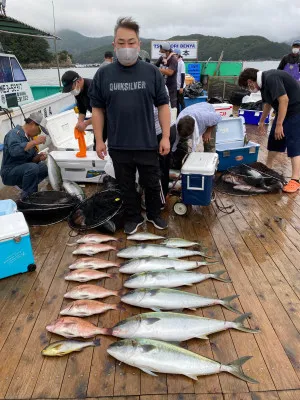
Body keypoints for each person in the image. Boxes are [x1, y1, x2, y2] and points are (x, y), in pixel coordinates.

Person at [89, 17, 170, 235]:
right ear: (114, 44)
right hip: (118, 144)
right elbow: (97, 109)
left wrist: (165, 136)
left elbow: (163, 105)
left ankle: (154, 214)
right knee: (125, 186)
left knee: (152, 183)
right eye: (121, 42)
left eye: (131, 42)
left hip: (147, 142)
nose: (126, 47)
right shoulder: (103, 74)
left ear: (139, 44)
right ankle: (133, 217)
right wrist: (98, 140)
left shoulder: (152, 72)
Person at [238, 68, 300, 193]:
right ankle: (268, 168)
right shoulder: (263, 85)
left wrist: (279, 124)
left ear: (250, 81)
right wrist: (261, 120)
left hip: (296, 110)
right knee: (274, 140)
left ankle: (295, 180)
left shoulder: (271, 78)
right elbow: (268, 103)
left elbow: (284, 100)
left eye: (247, 86)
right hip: (284, 112)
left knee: (293, 143)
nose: (249, 89)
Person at [1, 112, 48, 198]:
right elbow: (14, 152)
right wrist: (34, 142)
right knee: (32, 168)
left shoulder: (29, 138)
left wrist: (38, 157)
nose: (39, 133)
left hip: (23, 169)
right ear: (33, 124)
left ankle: (26, 189)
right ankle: (28, 198)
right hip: (9, 172)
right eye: (39, 129)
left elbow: (32, 161)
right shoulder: (14, 134)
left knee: (43, 167)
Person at [61, 70, 107, 146]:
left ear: (78, 81)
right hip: (97, 118)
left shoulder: (93, 88)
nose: (71, 92)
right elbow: (82, 109)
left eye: (71, 89)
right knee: (97, 145)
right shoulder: (78, 91)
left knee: (112, 146)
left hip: (110, 117)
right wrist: (79, 122)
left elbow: (102, 113)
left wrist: (85, 124)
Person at [155, 42, 178, 109]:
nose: (160, 52)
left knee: (172, 105)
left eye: (162, 51)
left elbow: (170, 72)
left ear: (167, 51)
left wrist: (158, 69)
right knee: (163, 104)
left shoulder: (173, 59)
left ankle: (173, 118)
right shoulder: (162, 58)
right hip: (162, 86)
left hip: (171, 87)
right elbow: (155, 66)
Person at [174, 48, 186, 115]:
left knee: (181, 102)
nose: (174, 56)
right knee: (176, 103)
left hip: (180, 87)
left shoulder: (181, 63)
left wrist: (181, 87)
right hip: (175, 87)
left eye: (175, 54)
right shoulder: (175, 62)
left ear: (178, 55)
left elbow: (183, 75)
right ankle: (178, 115)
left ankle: (184, 114)